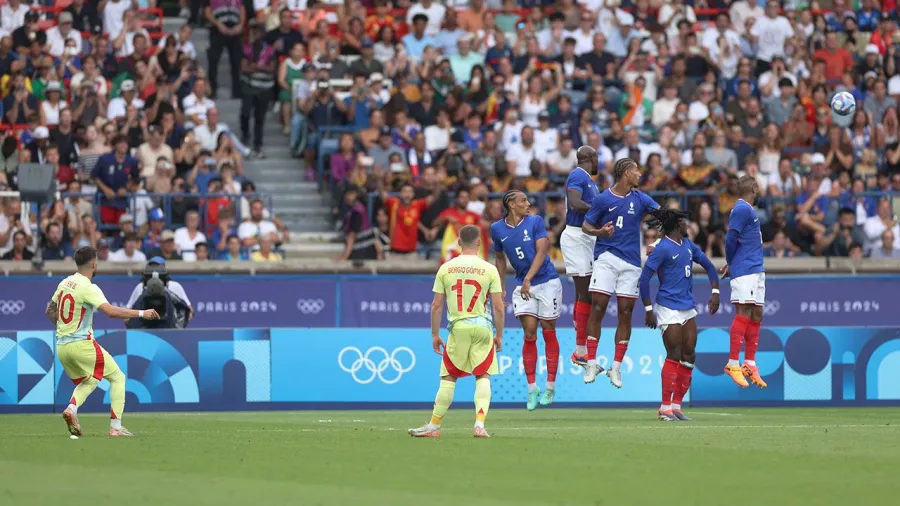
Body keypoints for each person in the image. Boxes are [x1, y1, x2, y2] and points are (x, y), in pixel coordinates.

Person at [46, 246, 160, 437]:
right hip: (81, 344)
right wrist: (141, 313)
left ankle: (71, 409)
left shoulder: (65, 283)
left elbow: (50, 311)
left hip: (62, 346)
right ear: (94, 263)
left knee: (89, 380)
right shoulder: (89, 287)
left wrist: (65, 329)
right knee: (118, 377)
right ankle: (116, 427)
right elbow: (110, 311)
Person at [408, 225, 504, 438]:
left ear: (459, 242)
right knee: (483, 376)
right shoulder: (489, 269)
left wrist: (434, 334)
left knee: (449, 378)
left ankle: (434, 426)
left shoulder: (446, 268)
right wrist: (499, 335)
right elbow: (498, 306)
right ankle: (479, 425)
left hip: (459, 327)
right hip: (482, 327)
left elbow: (436, 305)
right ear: (479, 242)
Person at [581, 158, 660, 387]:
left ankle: (616, 367)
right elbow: (587, 225)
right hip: (607, 257)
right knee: (599, 306)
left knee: (625, 312)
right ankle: (592, 361)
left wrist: (658, 237)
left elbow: (662, 214)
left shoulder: (641, 198)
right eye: (636, 170)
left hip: (632, 263)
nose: (639, 173)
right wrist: (600, 232)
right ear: (626, 173)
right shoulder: (603, 199)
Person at [639, 207, 720, 421]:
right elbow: (644, 279)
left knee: (689, 354)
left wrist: (715, 291)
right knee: (674, 353)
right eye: (684, 222)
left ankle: (676, 406)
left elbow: (710, 266)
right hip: (668, 307)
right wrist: (648, 309)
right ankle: (664, 407)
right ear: (676, 225)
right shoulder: (663, 248)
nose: (687, 225)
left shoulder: (689, 246)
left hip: (688, 307)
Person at [490, 190, 562, 410]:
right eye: (523, 201)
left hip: (546, 281)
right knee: (529, 333)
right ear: (512, 204)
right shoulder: (496, 229)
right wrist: (500, 287)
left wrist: (528, 278)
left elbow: (542, 251)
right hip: (524, 284)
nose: (528, 203)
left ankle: (550, 386)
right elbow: (500, 258)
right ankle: (532, 388)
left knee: (548, 330)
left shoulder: (535, 221)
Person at [721, 175, 766, 389]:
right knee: (744, 312)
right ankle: (732, 363)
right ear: (754, 189)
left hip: (756, 268)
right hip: (745, 268)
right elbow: (730, 238)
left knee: (757, 314)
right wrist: (731, 263)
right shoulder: (741, 209)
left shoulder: (748, 209)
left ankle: (749, 363)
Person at [560, 146, 600, 370]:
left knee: (584, 292)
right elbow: (574, 203)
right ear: (591, 158)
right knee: (586, 292)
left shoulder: (589, 181)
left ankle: (580, 349)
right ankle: (581, 350)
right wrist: (598, 210)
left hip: (585, 237)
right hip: (577, 236)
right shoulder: (578, 174)